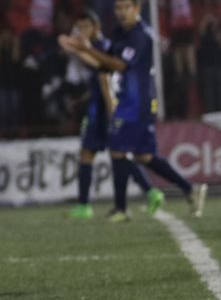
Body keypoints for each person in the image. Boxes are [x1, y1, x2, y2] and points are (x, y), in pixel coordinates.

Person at [66, 0, 207, 221]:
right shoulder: (121, 33)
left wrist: (86, 49)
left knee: (120, 149)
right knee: (143, 156)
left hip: (140, 103)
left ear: (137, 8)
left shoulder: (141, 36)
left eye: (126, 7)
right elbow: (105, 64)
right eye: (118, 8)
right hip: (127, 101)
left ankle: (122, 208)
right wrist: (78, 50)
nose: (121, 12)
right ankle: (188, 189)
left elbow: (120, 65)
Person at [58, 12, 156, 219]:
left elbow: (103, 78)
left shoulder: (102, 47)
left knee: (99, 153)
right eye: (78, 27)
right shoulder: (100, 46)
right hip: (99, 103)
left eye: (84, 26)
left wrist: (112, 109)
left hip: (102, 108)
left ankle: (85, 205)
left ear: (95, 27)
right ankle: (151, 192)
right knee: (111, 154)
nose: (81, 31)